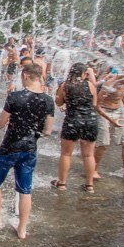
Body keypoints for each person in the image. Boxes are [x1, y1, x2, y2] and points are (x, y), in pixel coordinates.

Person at [0, 64, 54, 239]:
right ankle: (22, 229)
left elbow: (0, 124)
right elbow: (48, 131)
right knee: (25, 190)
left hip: (9, 148)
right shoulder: (48, 100)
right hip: (30, 150)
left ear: (25, 75)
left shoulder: (15, 97)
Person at [52, 63, 101, 193]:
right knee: (89, 155)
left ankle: (62, 183)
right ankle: (89, 185)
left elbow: (58, 102)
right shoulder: (90, 85)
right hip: (90, 121)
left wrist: (68, 104)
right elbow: (94, 103)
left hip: (73, 120)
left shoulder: (65, 86)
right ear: (83, 74)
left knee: (66, 154)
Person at [93, 75, 124, 183]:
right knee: (104, 143)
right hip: (103, 110)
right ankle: (93, 170)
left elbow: (123, 96)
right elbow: (97, 106)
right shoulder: (109, 85)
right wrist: (111, 120)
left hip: (118, 111)